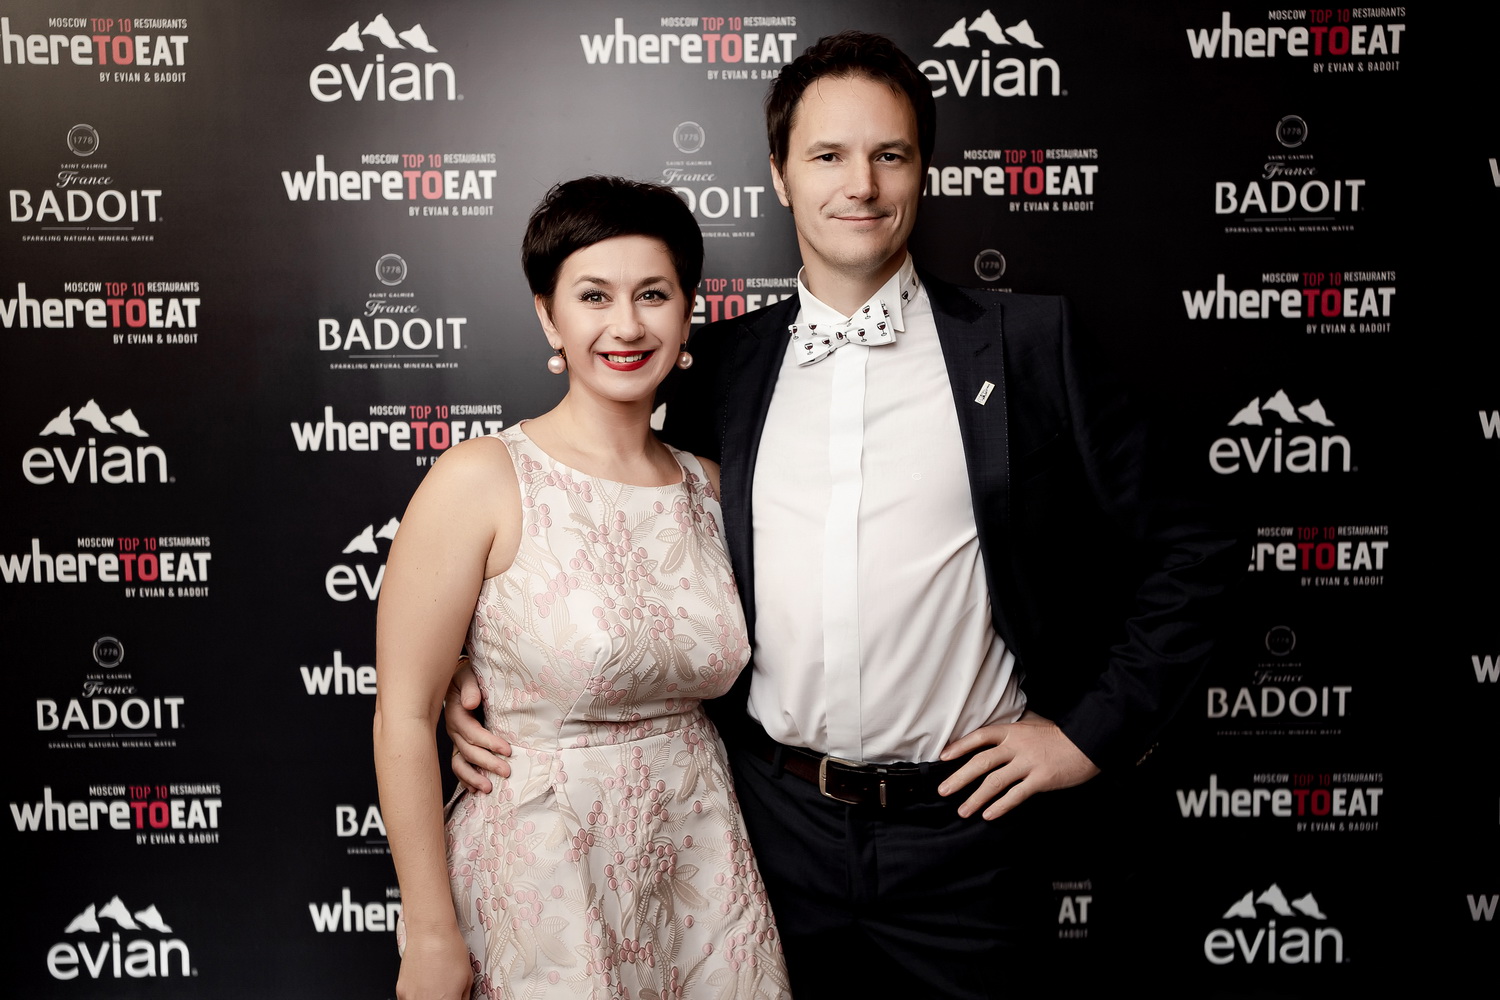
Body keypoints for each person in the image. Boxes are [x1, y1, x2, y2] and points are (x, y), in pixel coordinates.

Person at [448, 33, 1239, 999]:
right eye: (827, 155)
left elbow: (1194, 547)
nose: (859, 184)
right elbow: (605, 537)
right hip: (762, 835)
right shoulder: (716, 367)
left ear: (922, 170)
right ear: (779, 176)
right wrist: (477, 677)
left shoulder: (1028, 344)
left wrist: (1084, 736)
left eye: (888, 154)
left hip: (968, 840)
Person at [374, 176, 789, 1000]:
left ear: (688, 313)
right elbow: (403, 715)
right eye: (594, 296)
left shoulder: (713, 489)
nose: (626, 326)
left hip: (703, 868)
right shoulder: (482, 478)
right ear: (548, 316)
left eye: (653, 295)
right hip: (544, 873)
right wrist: (430, 931)